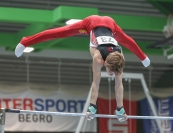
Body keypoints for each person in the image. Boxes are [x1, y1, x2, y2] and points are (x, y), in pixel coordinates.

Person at [15, 15, 150, 122]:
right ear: (105, 63)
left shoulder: (119, 60)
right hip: (91, 23)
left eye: (113, 73)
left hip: (110, 24)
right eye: (110, 71)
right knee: (59, 32)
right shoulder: (98, 58)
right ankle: (25, 41)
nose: (111, 74)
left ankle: (144, 57)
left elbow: (119, 85)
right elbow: (95, 84)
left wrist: (120, 109)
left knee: (127, 40)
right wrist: (92, 107)